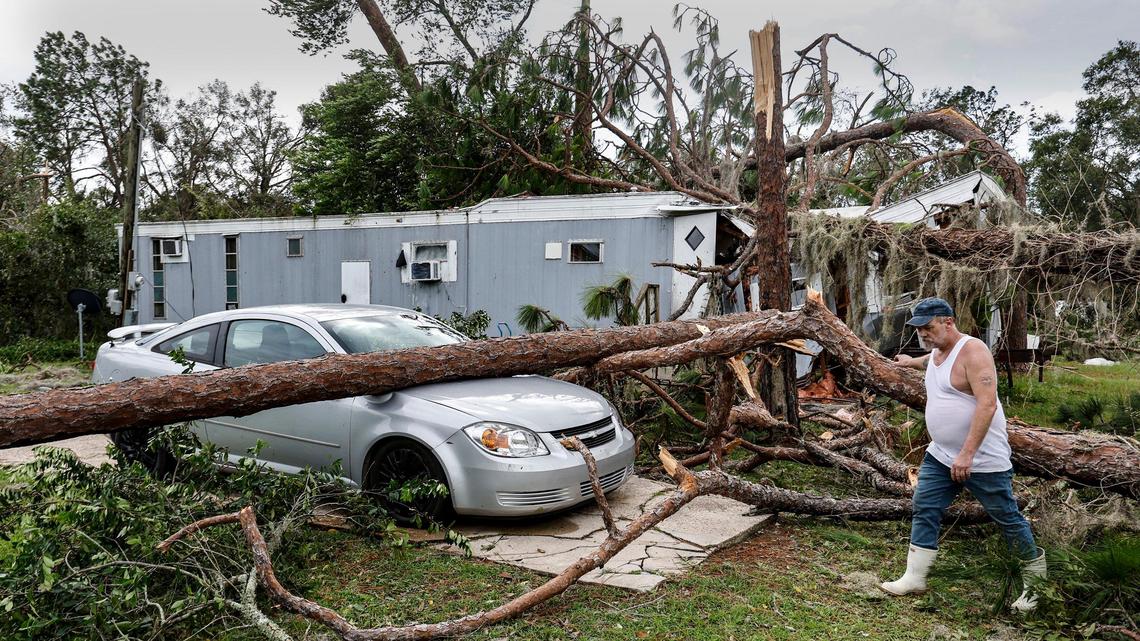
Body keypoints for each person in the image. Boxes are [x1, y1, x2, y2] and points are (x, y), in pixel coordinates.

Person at [880, 297, 1046, 611]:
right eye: (919, 330)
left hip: (981, 459)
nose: (924, 335)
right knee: (925, 505)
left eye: (929, 328)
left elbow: (987, 404)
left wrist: (967, 454)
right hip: (942, 455)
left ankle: (1035, 589)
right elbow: (934, 360)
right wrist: (911, 363)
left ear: (948, 322)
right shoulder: (938, 351)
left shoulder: (974, 352)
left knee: (1007, 519)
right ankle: (915, 577)